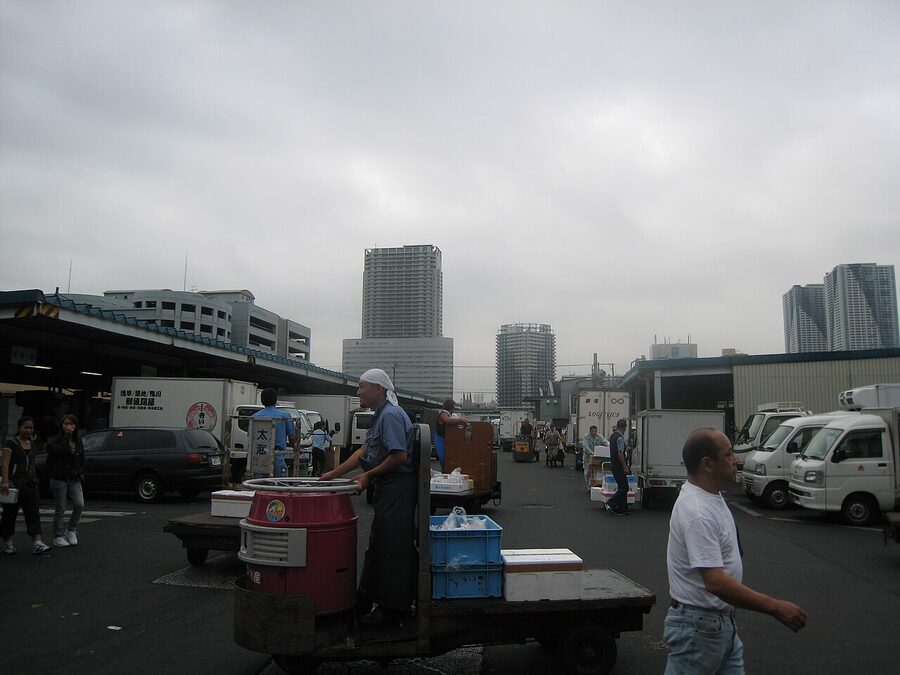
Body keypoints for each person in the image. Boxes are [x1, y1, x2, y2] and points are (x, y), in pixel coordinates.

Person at [664, 428, 807, 674]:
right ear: (708, 464)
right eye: (729, 454)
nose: (736, 459)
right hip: (699, 629)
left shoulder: (710, 496)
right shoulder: (697, 511)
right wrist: (774, 607)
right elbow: (716, 583)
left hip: (718, 624)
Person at [321, 368, 417, 626]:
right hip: (388, 489)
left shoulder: (391, 416)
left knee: (392, 548)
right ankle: (366, 599)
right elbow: (363, 452)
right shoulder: (379, 416)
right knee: (379, 544)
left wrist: (367, 477)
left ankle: (393, 609)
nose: (358, 391)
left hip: (398, 489)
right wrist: (331, 475)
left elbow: (399, 457)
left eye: (362, 386)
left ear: (378, 389)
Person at [1, 416, 52, 555]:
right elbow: (5, 462)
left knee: (33, 512)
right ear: (19, 427)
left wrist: (35, 479)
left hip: (29, 483)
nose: (29, 430)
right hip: (14, 483)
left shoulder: (32, 444)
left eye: (31, 427)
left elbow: (33, 463)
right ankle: (7, 541)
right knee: (9, 514)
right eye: (26, 427)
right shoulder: (10, 443)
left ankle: (37, 542)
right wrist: (5, 481)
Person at [46, 414, 86, 547]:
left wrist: (80, 471)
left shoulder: (78, 441)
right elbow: (55, 452)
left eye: (71, 424)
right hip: (59, 478)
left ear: (75, 426)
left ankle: (71, 530)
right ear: (61, 426)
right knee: (60, 507)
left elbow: (82, 458)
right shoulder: (56, 440)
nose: (68, 426)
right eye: (66, 424)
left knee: (79, 504)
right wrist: (66, 438)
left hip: (74, 478)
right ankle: (58, 535)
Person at [251, 389, 296, 478]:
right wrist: (296, 448)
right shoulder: (285, 416)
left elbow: (251, 437)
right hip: (277, 455)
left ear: (262, 401)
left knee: (259, 486)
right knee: (280, 486)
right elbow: (292, 437)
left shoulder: (254, 417)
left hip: (259, 456)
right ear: (275, 401)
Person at [605, 418, 631, 516]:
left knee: (622, 486)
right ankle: (611, 503)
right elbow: (620, 453)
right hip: (619, 465)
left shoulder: (612, 436)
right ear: (624, 427)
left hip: (614, 464)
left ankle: (622, 509)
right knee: (624, 488)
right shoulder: (620, 438)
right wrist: (625, 466)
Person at [434, 398, 466, 471]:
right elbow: (447, 421)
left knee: (448, 459)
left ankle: (445, 472)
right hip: (439, 438)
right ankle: (444, 473)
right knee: (443, 458)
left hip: (446, 439)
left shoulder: (450, 415)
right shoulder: (443, 414)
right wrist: (460, 420)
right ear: (451, 407)